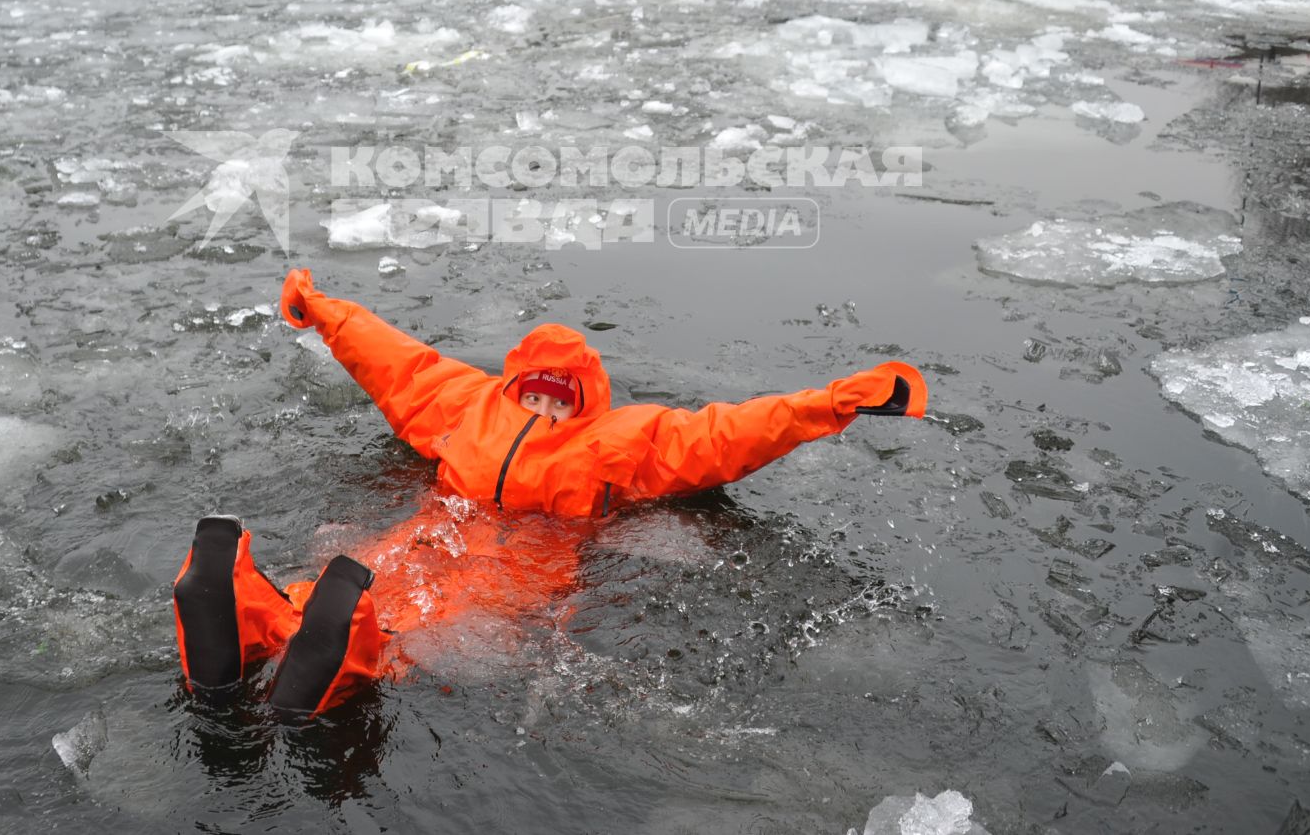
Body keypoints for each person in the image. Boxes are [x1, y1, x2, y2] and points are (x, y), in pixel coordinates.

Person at [172, 268, 928, 717]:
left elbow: (727, 433)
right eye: (535, 392)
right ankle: (247, 625)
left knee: (434, 617)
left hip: (527, 558)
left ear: (586, 395)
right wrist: (324, 309)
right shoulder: (468, 401)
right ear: (516, 383)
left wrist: (836, 401)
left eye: (560, 397)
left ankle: (331, 660)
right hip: (440, 524)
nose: (546, 408)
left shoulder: (625, 440)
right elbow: (394, 361)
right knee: (372, 570)